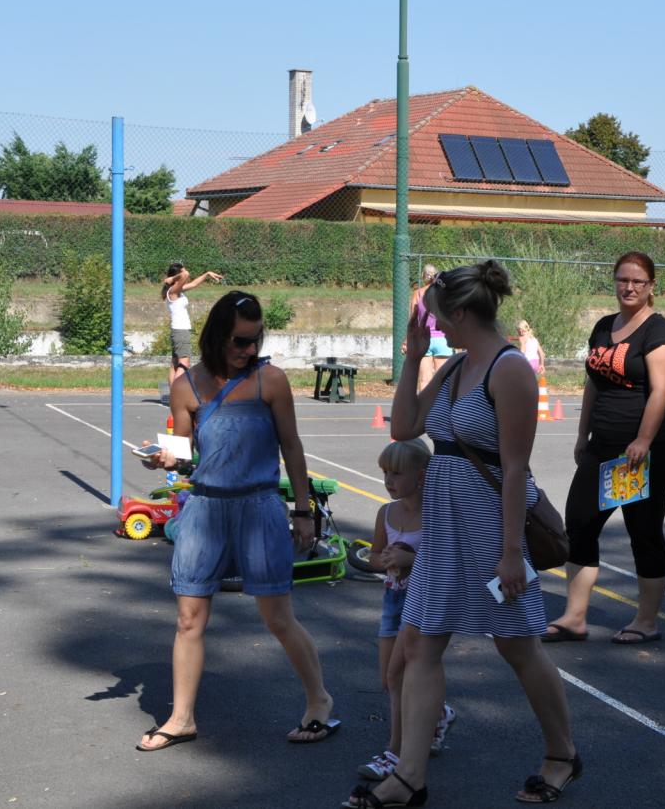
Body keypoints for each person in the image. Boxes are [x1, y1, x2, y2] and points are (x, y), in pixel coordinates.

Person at [344, 261, 579, 808]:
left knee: (518, 646)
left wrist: (511, 553)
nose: (434, 326)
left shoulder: (509, 369)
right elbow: (405, 428)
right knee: (420, 645)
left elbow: (515, 469)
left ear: (463, 313)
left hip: (491, 531)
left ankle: (562, 754)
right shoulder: (453, 366)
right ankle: (409, 776)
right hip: (444, 530)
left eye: (436, 317)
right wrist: (412, 357)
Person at [136, 290, 336, 750]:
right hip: (205, 509)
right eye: (240, 341)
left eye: (255, 340)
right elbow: (182, 454)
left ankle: (319, 700)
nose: (249, 349)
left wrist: (302, 510)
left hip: (259, 508)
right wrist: (162, 459)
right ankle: (181, 718)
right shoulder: (187, 386)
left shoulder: (271, 381)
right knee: (188, 619)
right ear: (216, 336)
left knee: (278, 618)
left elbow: (292, 447)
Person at [544, 252, 665, 647]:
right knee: (580, 523)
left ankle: (646, 620)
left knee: (644, 530)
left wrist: (642, 440)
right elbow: (594, 382)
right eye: (623, 279)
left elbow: (661, 390)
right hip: (602, 445)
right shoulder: (605, 326)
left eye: (638, 282)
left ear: (651, 286)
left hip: (643, 453)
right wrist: (582, 434)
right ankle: (574, 617)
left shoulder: (659, 332)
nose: (629, 287)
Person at [355, 439, 458, 785]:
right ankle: (438, 715)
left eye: (397, 473)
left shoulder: (436, 513)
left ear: (422, 475)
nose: (389, 480)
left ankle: (395, 752)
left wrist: (411, 559)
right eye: (385, 472)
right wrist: (383, 560)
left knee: (399, 675)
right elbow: (373, 556)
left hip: (424, 602)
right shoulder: (386, 513)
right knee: (388, 679)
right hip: (394, 600)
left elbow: (446, 560)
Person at [162, 262, 223, 398]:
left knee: (175, 364)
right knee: (184, 363)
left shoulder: (177, 290)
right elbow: (186, 274)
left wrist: (207, 274)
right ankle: (178, 395)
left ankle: (174, 396)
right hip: (181, 331)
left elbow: (194, 283)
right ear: (176, 275)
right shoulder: (173, 291)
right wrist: (172, 278)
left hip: (178, 331)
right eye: (182, 271)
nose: (186, 273)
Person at [403, 263, 453, 392]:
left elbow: (413, 320)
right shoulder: (443, 294)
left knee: (424, 380)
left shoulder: (418, 294)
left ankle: (424, 405)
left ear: (423, 276)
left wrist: (407, 340)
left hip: (424, 339)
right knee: (442, 380)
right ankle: (441, 405)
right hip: (442, 339)